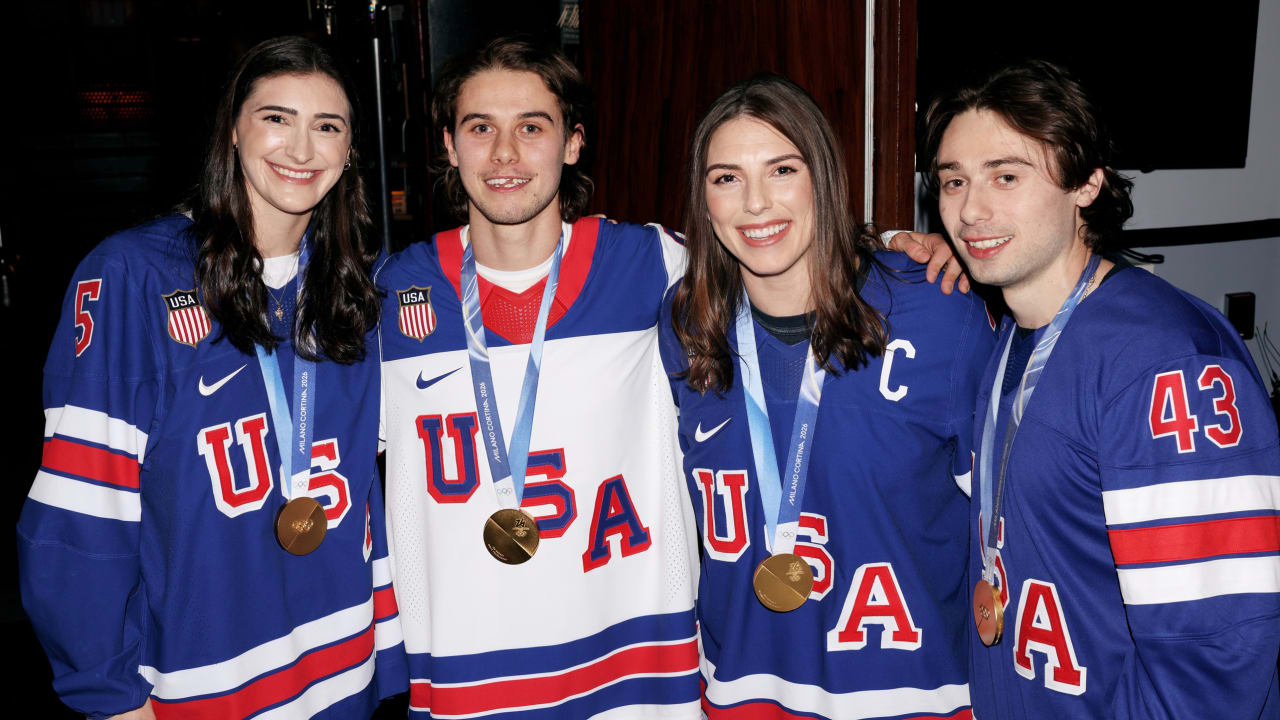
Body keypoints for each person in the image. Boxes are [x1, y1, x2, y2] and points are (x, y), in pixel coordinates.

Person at [18, 36, 406, 719]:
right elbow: (82, 510)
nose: (302, 148)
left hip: (342, 670)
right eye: (277, 118)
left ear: (349, 153)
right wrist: (108, 692)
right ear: (234, 130)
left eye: (327, 127)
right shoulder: (135, 277)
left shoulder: (356, 288)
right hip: (196, 684)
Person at [920, 60, 1280, 718]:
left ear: (1086, 182)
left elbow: (1214, 656)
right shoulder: (1007, 338)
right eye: (953, 181)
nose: (970, 209)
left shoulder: (1162, 359)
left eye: (1006, 176)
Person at [374, 37, 702, 718]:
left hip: (632, 672)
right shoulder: (390, 295)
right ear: (448, 146)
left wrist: (903, 247)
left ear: (573, 144)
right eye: (480, 129)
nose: (504, 155)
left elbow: (785, 264)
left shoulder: (648, 265)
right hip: (469, 671)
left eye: (531, 128)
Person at [657, 73, 995, 718]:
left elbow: (1008, 525)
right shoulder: (683, 326)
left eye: (782, 169)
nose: (755, 203)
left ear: (824, 178)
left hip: (915, 695)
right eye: (726, 177)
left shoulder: (939, 309)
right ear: (702, 200)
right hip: (744, 694)